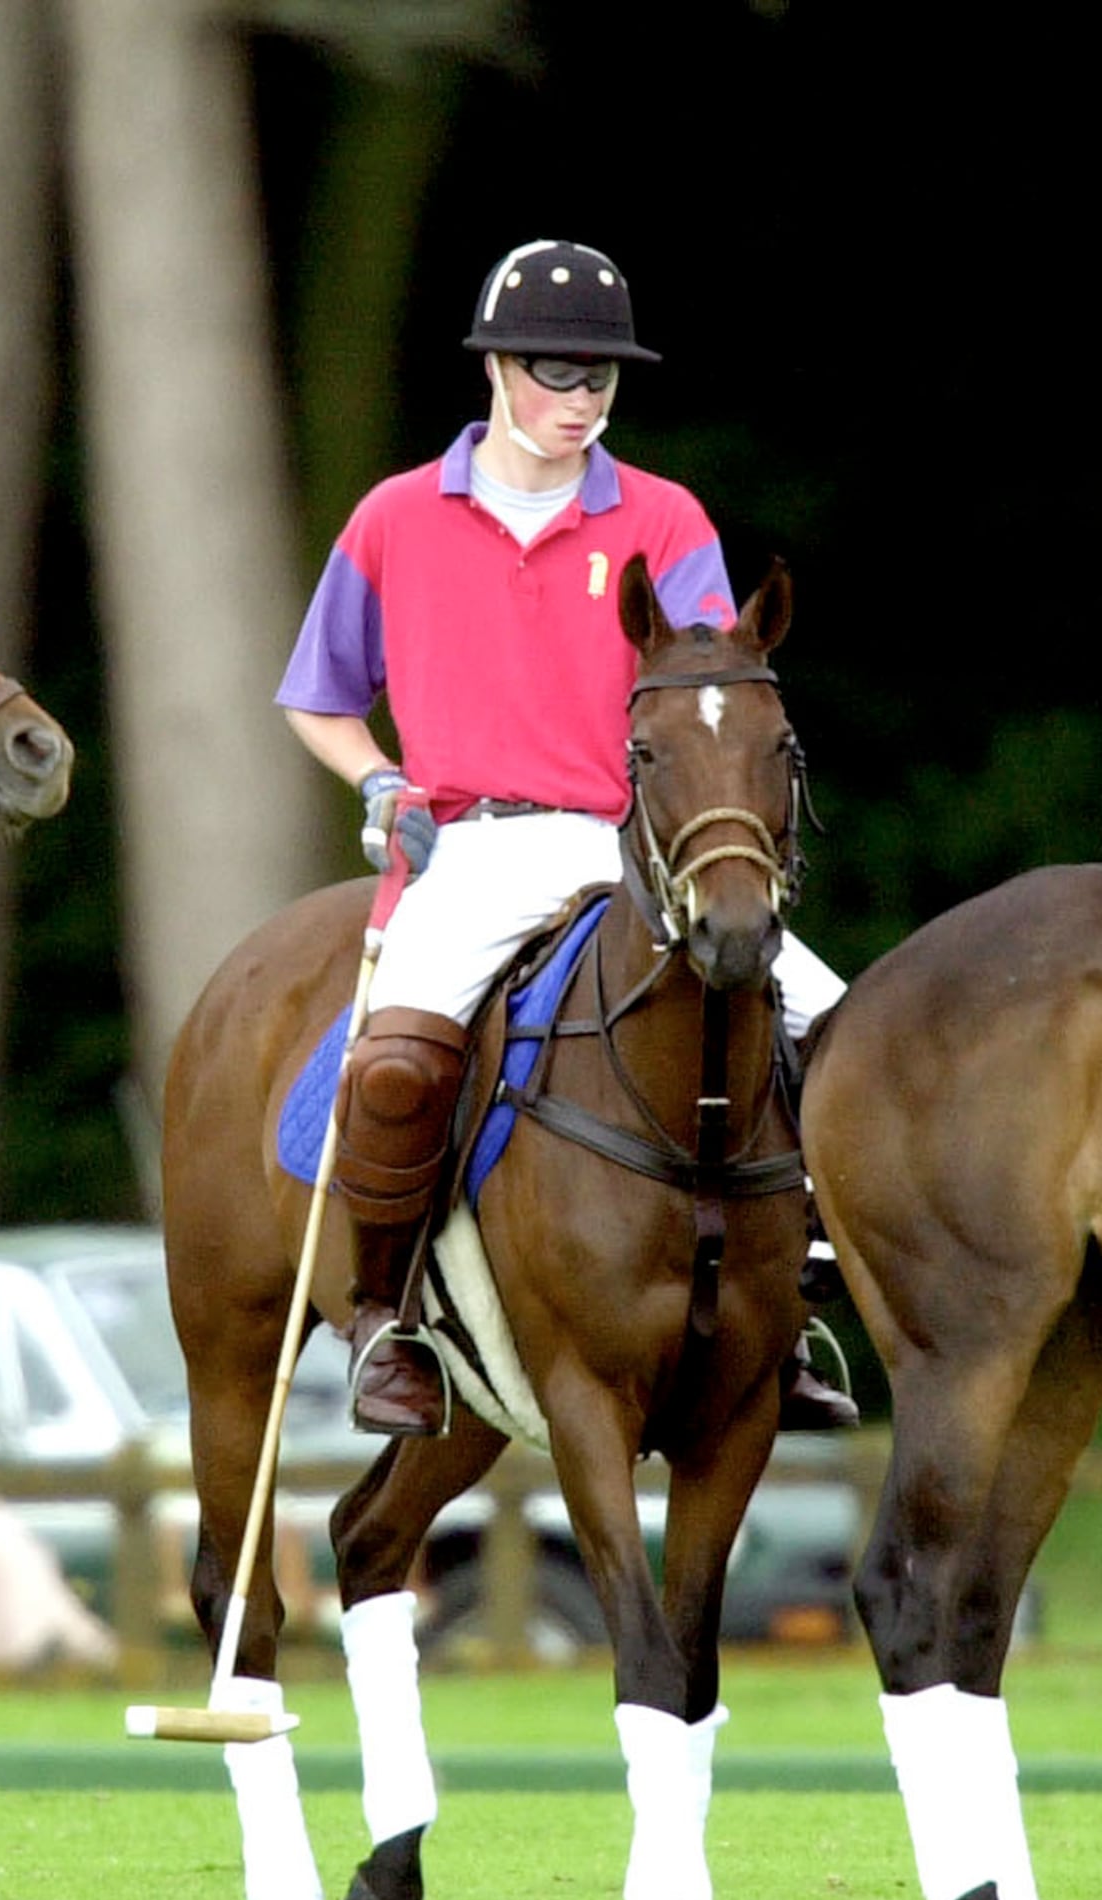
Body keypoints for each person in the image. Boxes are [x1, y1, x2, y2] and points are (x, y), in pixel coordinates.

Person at [278, 237, 856, 1439]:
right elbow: (317, 697)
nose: (581, 399)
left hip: (623, 846)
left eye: (601, 377)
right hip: (471, 848)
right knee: (393, 1068)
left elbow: (709, 676)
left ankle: (792, 1306)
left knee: (838, 1028)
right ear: (495, 368)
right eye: (555, 372)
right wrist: (378, 780)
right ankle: (388, 1323)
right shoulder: (396, 517)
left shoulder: (663, 515)